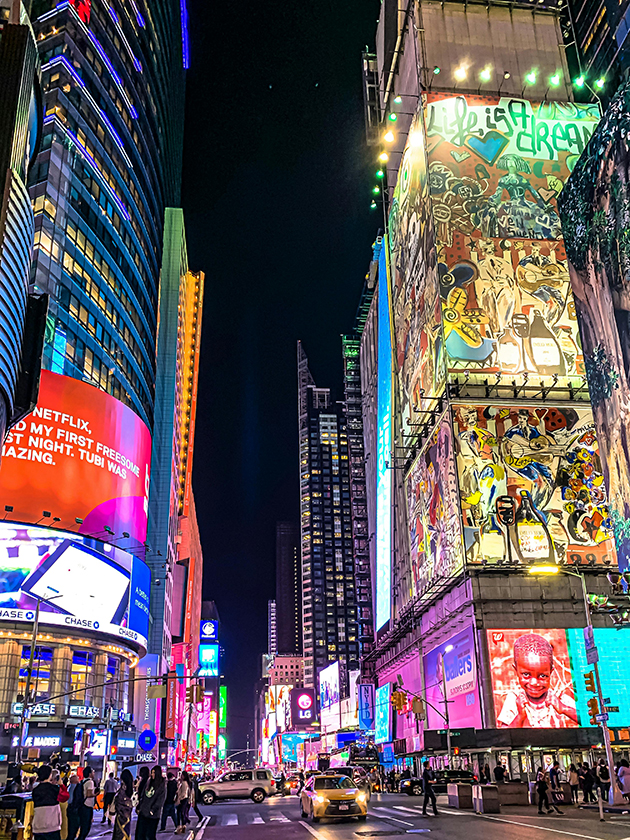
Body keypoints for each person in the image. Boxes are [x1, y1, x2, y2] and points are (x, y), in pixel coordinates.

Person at [497, 634, 577, 728]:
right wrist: (520, 717)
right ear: (516, 671)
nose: (534, 683)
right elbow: (504, 738)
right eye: (526, 675)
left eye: (542, 676)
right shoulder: (515, 699)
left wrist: (563, 708)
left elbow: (589, 721)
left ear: (551, 672)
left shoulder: (557, 697)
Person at [32, 765, 62, 840]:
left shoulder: (35, 790)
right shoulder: (55, 789)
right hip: (52, 825)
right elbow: (65, 797)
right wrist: (61, 784)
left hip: (38, 825)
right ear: (49, 775)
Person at [136, 767, 166, 840]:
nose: (152, 774)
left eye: (154, 773)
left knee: (149, 835)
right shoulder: (148, 782)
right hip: (143, 812)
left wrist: (152, 810)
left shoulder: (162, 785)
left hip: (153, 815)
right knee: (140, 834)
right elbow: (143, 795)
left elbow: (160, 800)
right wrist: (139, 806)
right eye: (152, 772)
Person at [113, 770, 133, 840]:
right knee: (126, 831)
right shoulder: (130, 787)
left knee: (120, 833)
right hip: (127, 814)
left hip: (121, 814)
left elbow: (119, 800)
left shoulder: (123, 787)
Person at [77, 766, 95, 840]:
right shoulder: (90, 782)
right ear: (90, 774)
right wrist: (96, 794)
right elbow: (89, 794)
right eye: (93, 772)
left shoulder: (83, 781)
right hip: (87, 805)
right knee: (86, 827)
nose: (94, 773)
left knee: (82, 825)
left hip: (82, 805)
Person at [66, 774, 80, 840]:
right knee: (74, 826)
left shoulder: (69, 787)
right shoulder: (75, 788)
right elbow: (71, 800)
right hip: (73, 809)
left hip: (70, 809)